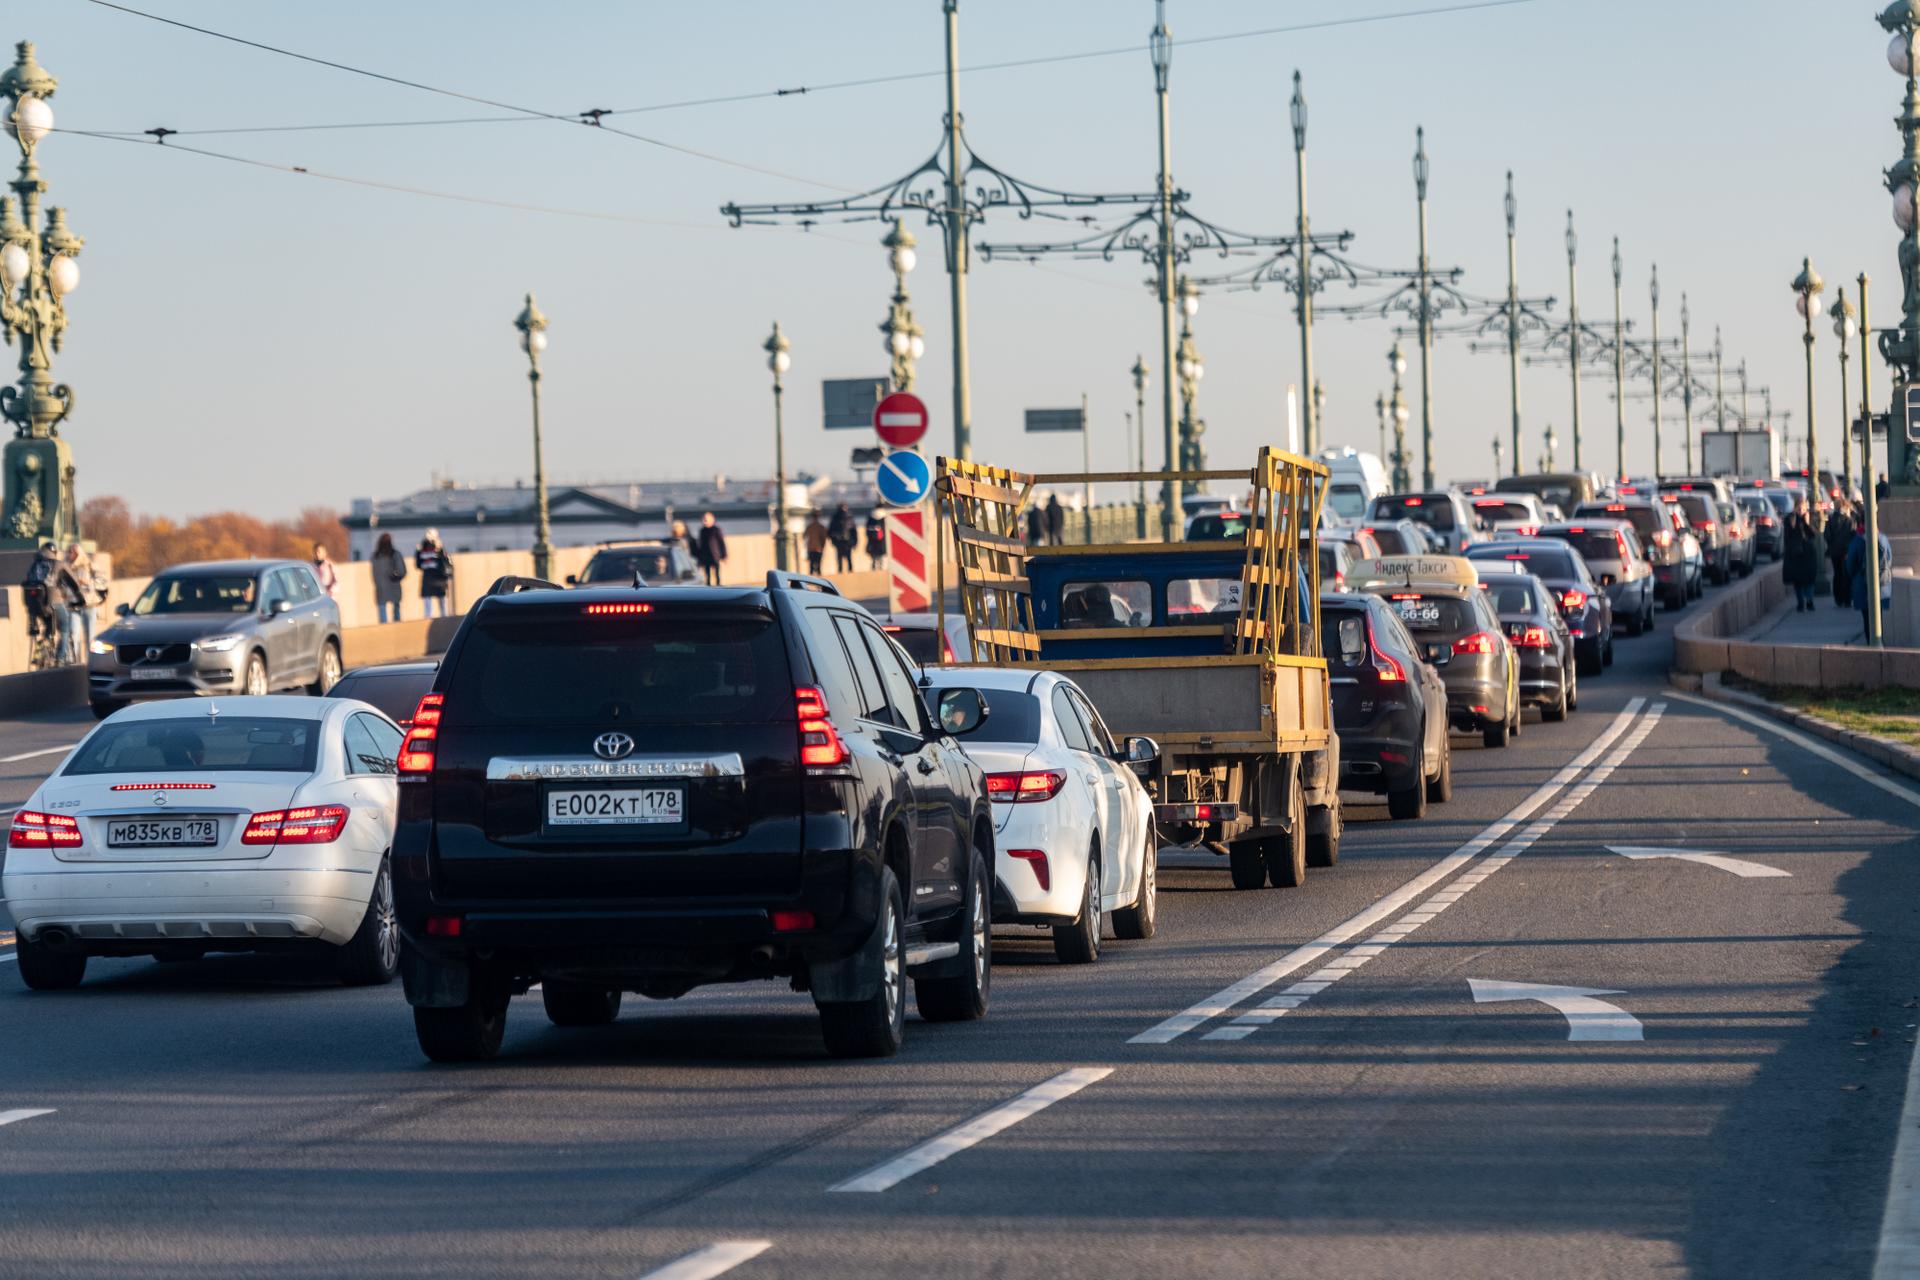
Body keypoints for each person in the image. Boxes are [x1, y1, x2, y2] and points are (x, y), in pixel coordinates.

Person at [1846, 522, 1895, 638]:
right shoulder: (1883, 538)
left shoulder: (1857, 541)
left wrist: (1855, 577)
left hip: (1862, 585)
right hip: (1881, 585)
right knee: (1879, 617)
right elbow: (1889, 559)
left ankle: (1871, 645)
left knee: (1867, 618)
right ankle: (1879, 640)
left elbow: (1850, 564)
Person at [63, 542, 102, 661]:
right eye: (68, 551)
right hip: (73, 605)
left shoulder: (89, 565)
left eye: (72, 552)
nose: (70, 554)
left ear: (78, 553)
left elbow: (101, 581)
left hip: (88, 605)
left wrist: (87, 583)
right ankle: (74, 663)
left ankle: (91, 661)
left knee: (90, 636)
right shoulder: (66, 568)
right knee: (73, 634)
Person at [1782, 500, 1820, 612]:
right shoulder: (1790, 519)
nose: (1801, 511)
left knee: (1809, 580)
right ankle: (1801, 602)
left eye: (1803, 508)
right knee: (1798, 580)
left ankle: (1808, 600)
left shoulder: (1808, 518)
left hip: (1807, 554)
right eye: (1799, 508)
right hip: (1796, 554)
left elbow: (1813, 534)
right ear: (1795, 508)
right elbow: (1787, 537)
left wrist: (1807, 523)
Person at [416, 529, 454, 618]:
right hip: (435, 579)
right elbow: (419, 564)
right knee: (438, 603)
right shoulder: (436, 548)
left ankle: (436, 618)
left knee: (434, 603)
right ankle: (442, 618)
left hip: (435, 578)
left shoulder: (437, 549)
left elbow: (419, 564)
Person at [1825, 500, 1856, 608]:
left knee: (1837, 574)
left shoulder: (1830, 520)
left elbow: (1827, 535)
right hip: (1846, 552)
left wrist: (1832, 545)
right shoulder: (1849, 520)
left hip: (1835, 551)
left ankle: (1838, 599)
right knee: (1846, 575)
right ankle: (1847, 599)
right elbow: (1853, 535)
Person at [371, 532, 407, 623]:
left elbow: (374, 573)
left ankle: (383, 627)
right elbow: (402, 570)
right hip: (393, 584)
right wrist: (397, 576)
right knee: (396, 607)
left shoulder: (375, 556)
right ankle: (397, 624)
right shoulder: (395, 554)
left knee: (382, 608)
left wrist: (377, 583)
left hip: (381, 586)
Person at [695, 511, 728, 585]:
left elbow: (721, 543)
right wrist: (699, 558)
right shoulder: (702, 531)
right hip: (705, 556)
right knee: (707, 575)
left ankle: (718, 587)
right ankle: (708, 588)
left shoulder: (716, 530)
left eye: (706, 519)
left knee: (717, 575)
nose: (704, 521)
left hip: (715, 555)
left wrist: (724, 555)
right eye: (703, 519)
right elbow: (700, 545)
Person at [828, 502, 858, 573]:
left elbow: (854, 531)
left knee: (848, 557)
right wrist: (834, 538)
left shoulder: (849, 517)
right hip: (839, 542)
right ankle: (841, 570)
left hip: (847, 541)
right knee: (840, 557)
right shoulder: (835, 518)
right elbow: (830, 531)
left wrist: (855, 541)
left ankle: (849, 569)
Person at [802, 512, 829, 576]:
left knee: (811, 563)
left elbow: (804, 536)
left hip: (811, 548)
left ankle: (811, 576)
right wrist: (823, 546)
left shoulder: (810, 526)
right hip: (819, 548)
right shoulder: (821, 527)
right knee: (818, 563)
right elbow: (825, 537)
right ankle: (819, 576)